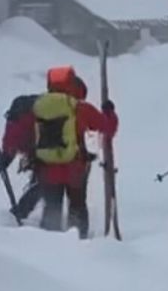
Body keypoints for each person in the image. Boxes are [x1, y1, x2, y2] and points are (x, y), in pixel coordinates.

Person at [27, 66, 117, 238]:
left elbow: (26, 134)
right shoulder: (79, 108)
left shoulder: (38, 107)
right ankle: (78, 240)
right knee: (77, 205)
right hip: (74, 167)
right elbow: (107, 127)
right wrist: (109, 112)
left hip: (47, 167)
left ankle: (46, 241)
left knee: (52, 207)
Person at [0, 94, 43, 223]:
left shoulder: (16, 119)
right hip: (49, 151)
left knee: (43, 183)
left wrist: (5, 159)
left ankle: (21, 212)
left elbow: (11, 142)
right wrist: (6, 158)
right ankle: (23, 212)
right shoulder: (21, 119)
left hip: (45, 151)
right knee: (44, 183)